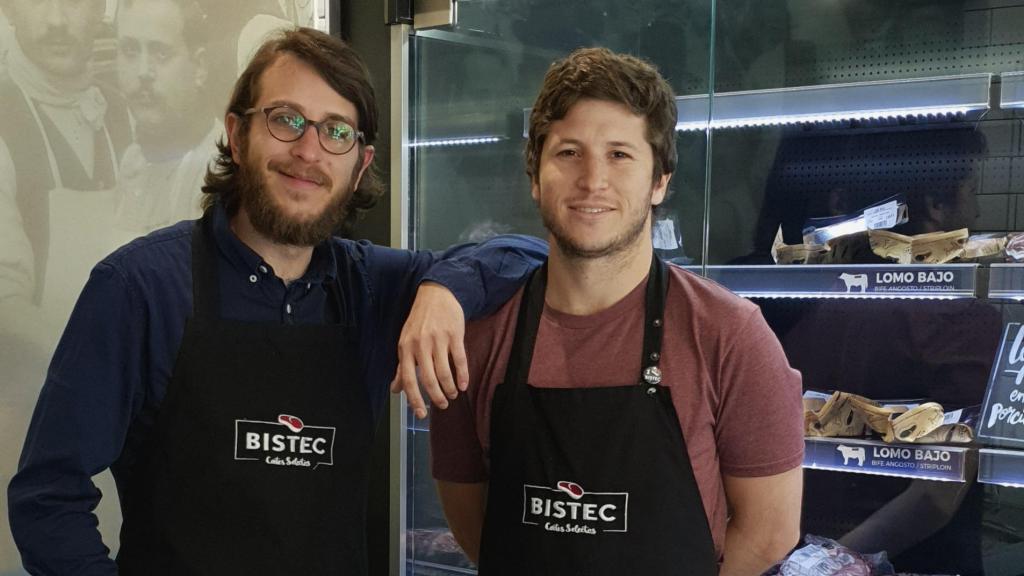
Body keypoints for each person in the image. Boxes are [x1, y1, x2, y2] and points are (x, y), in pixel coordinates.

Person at [7, 27, 545, 574]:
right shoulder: (140, 287)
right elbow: (48, 496)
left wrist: (444, 291)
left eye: (337, 131)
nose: (308, 150)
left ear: (359, 165)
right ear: (237, 136)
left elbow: (525, 255)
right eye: (285, 119)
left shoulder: (371, 286)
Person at [429, 47, 805, 576]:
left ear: (660, 181)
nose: (593, 180)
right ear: (534, 174)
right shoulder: (479, 338)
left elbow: (770, 532)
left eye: (620, 155)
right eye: (568, 153)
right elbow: (474, 526)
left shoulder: (728, 334)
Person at [0, 0, 132, 307]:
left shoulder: (126, 113)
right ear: (7, 7)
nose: (56, 20)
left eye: (73, 1)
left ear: (100, 9)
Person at [113, 0, 219, 235]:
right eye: (130, 51)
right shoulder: (132, 161)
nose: (143, 72)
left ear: (199, 67)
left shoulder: (223, 172)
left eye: (160, 53)